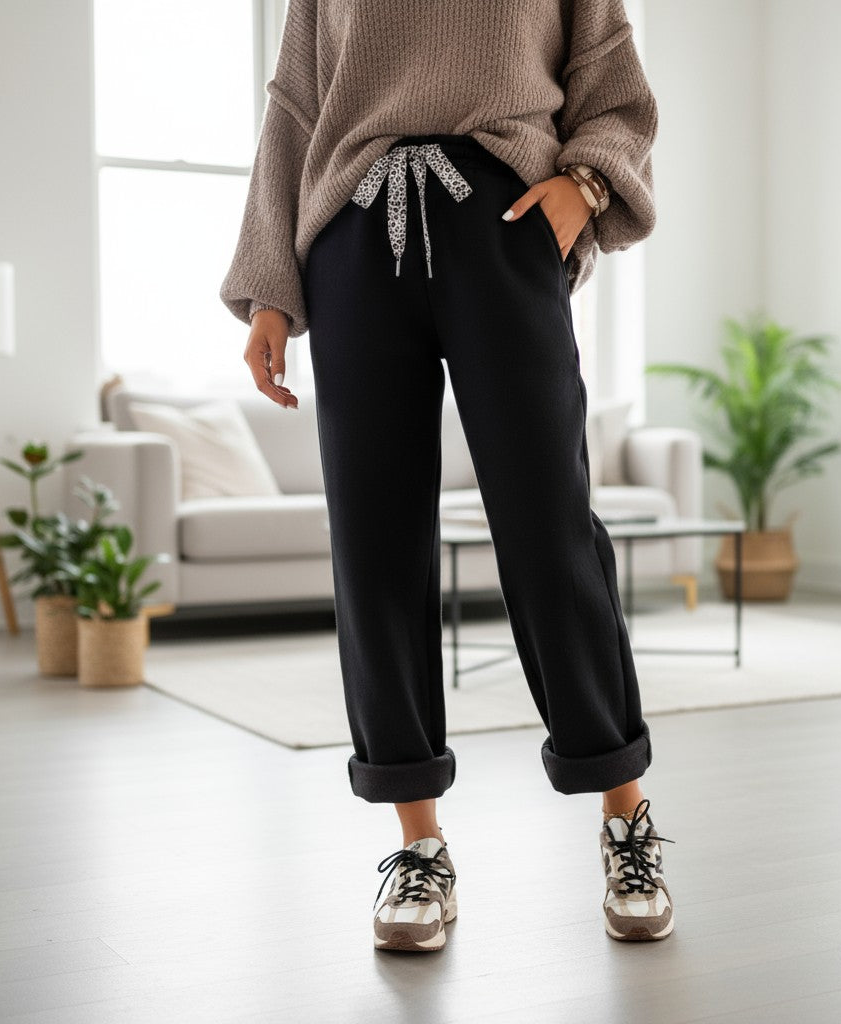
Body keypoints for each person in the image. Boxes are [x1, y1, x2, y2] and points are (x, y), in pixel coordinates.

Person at [220, 0, 674, 952]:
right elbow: (296, 105)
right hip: (351, 237)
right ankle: (418, 847)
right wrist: (270, 285)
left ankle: (624, 816)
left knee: (548, 524)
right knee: (376, 544)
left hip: (502, 219)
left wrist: (584, 187)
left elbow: (614, 85)